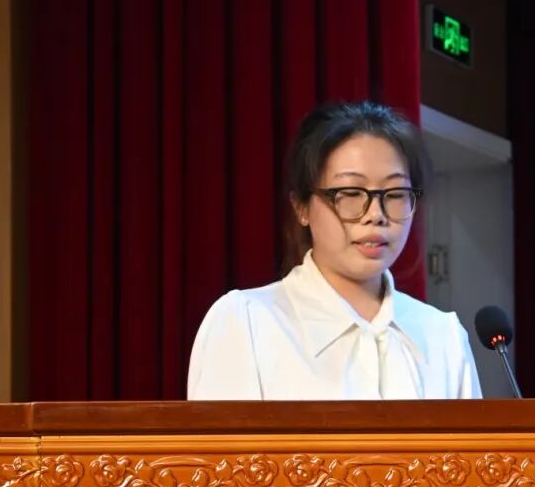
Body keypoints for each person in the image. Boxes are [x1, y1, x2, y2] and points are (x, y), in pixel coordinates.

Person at [187, 101, 481, 400]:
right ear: (301, 207)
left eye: (395, 194)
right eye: (350, 193)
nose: (376, 215)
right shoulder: (246, 322)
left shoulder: (443, 335)